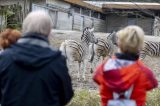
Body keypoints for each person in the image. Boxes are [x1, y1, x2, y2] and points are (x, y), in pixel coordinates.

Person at [0, 11, 73, 106]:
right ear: (49, 32)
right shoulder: (58, 60)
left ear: (24, 29)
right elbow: (66, 95)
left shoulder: (5, 57)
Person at [93, 25, 158, 106]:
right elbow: (153, 84)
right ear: (141, 46)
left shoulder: (104, 67)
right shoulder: (144, 71)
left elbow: (96, 78)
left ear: (119, 43)